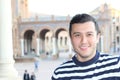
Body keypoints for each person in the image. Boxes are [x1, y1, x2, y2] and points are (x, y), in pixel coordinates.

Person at [51, 13, 120, 80]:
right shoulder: (60, 74)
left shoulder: (117, 65)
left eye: (89, 34)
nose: (84, 41)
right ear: (71, 39)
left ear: (97, 37)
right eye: (77, 35)